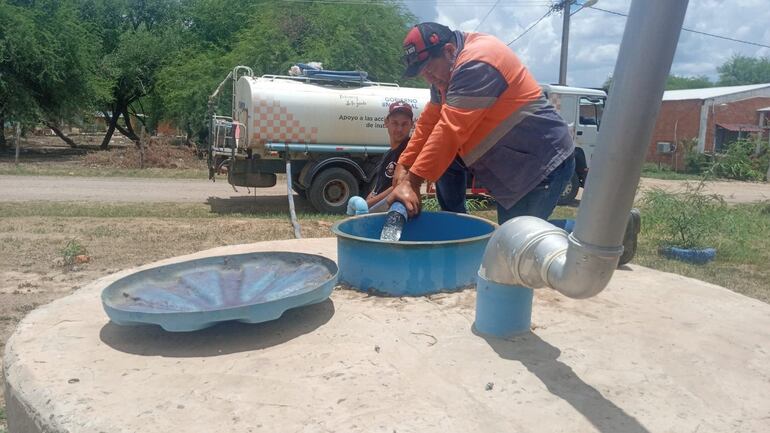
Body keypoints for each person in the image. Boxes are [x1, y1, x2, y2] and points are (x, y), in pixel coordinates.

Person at [388, 22, 575, 225]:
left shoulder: (478, 63)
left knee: (515, 242)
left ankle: (581, 238)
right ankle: (457, 225)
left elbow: (449, 130)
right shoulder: (444, 74)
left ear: (449, 51)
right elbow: (430, 121)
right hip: (512, 163)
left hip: (539, 165)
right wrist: (404, 164)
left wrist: (413, 182)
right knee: (507, 240)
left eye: (429, 69)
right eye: (422, 73)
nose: (428, 78)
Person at [364, 100, 415, 209]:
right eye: (395, 123)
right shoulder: (388, 154)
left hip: (392, 207)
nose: (399, 129)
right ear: (386, 122)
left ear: (412, 125)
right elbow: (378, 185)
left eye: (404, 124)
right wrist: (368, 199)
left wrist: (368, 205)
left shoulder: (410, 152)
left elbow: (400, 187)